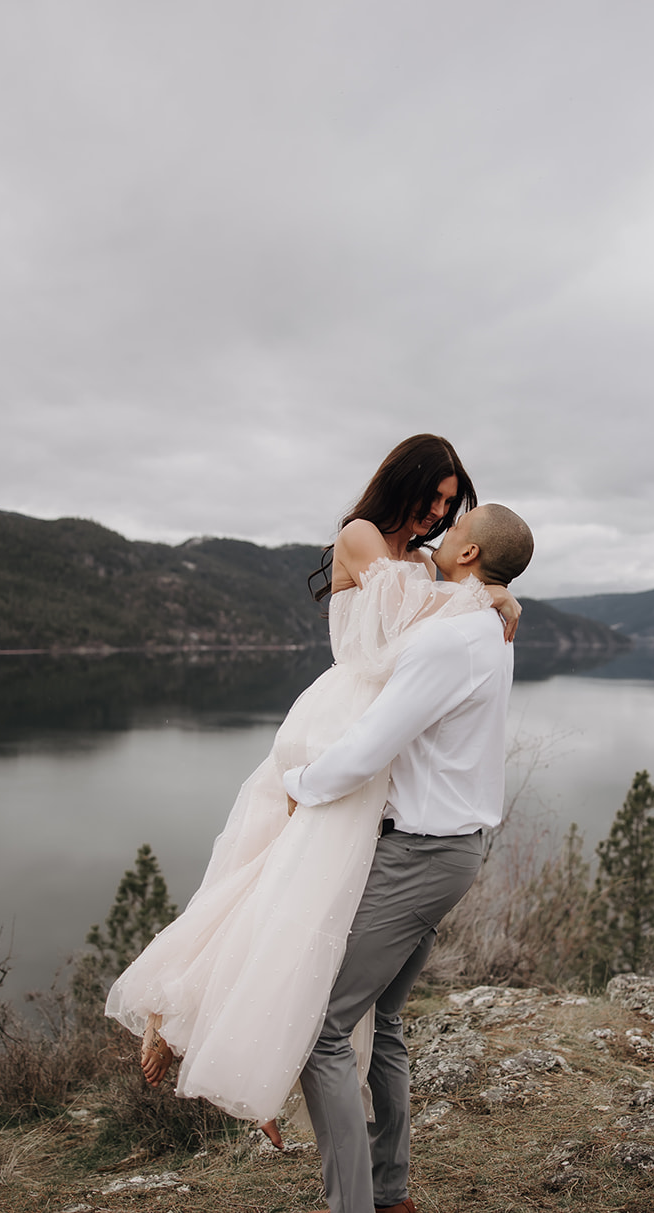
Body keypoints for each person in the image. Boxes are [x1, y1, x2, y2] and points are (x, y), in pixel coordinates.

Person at [103, 435, 520, 1138]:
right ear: (404, 483)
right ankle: (180, 1013)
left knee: (308, 900)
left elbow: (435, 614)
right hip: (337, 726)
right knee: (276, 884)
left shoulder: (421, 562)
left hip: (370, 734)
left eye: (452, 506)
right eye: (434, 498)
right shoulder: (361, 537)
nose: (439, 516)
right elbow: (397, 633)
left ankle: (259, 1066)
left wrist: (482, 592)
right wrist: (487, 596)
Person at [250, 501, 534, 1213]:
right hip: (453, 849)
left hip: (421, 855)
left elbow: (375, 741)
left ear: (470, 548)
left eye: (455, 524)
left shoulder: (452, 639)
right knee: (390, 1021)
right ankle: (386, 1196)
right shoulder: (484, 625)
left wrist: (299, 785)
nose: (440, 533)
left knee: (324, 1030)